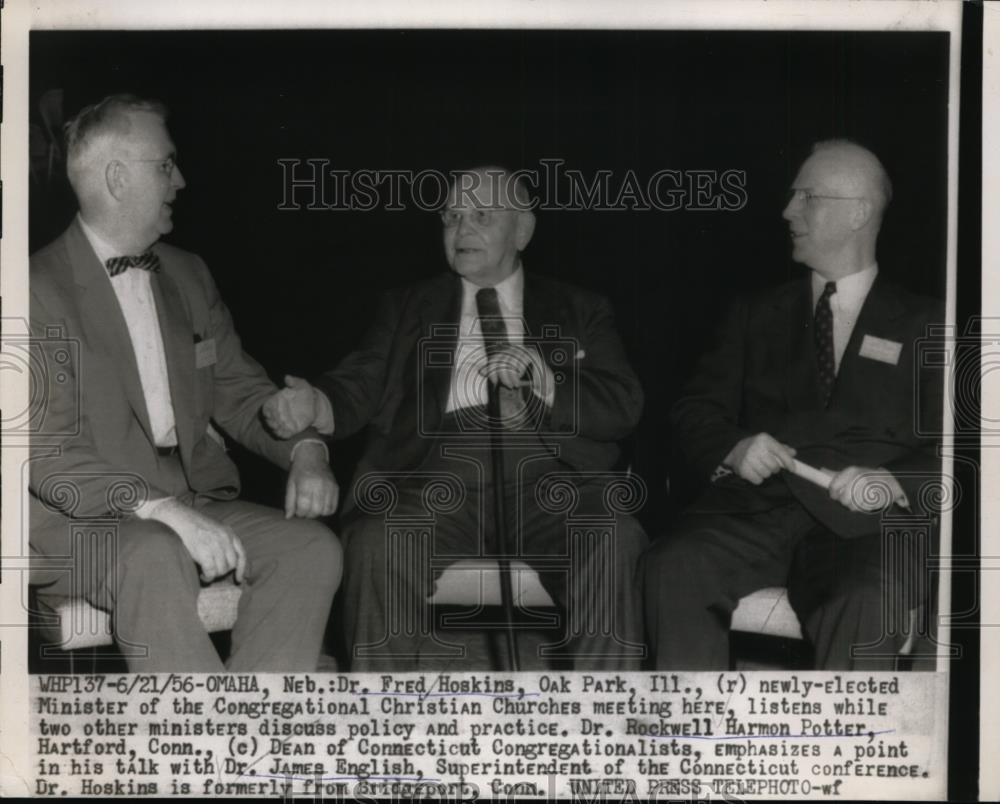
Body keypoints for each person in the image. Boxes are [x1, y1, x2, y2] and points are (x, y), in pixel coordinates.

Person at [264, 166, 647, 671]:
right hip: (432, 483)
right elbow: (358, 383)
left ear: (523, 230)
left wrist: (546, 384)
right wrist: (319, 403)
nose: (461, 229)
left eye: (481, 216)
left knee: (610, 535)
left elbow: (622, 404)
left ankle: (605, 726)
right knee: (380, 540)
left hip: (551, 484)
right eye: (451, 217)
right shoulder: (405, 306)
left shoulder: (580, 308)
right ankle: (381, 730)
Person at [29, 94, 342, 672]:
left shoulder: (189, 273)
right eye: (165, 164)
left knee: (310, 548)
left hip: (191, 501)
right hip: (80, 525)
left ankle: (257, 733)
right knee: (152, 553)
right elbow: (44, 454)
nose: (181, 179)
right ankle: (196, 746)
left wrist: (306, 451)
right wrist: (163, 511)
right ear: (118, 178)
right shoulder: (31, 287)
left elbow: (243, 394)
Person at [643, 140, 943, 670]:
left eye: (807, 197)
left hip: (865, 529)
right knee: (671, 565)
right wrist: (734, 446)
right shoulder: (754, 313)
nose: (787, 211)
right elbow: (694, 409)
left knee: (863, 602)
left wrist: (892, 480)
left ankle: (845, 752)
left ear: (859, 212)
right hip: (755, 511)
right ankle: (688, 744)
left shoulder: (930, 322)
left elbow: (967, 445)